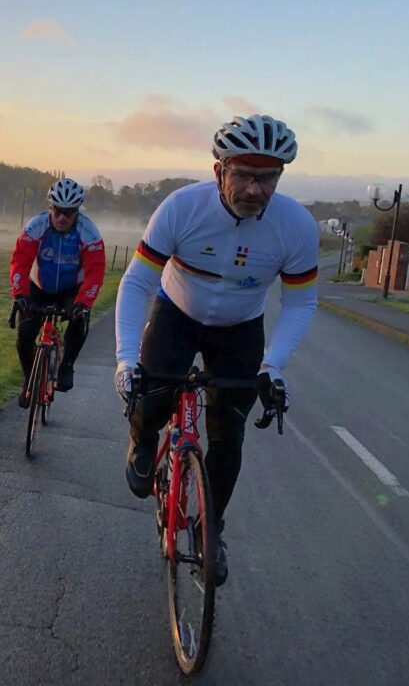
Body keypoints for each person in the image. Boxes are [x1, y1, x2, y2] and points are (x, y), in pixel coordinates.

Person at [114, 114, 318, 585]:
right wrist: (126, 361)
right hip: (177, 313)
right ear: (218, 171)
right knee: (152, 397)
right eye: (243, 174)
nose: (254, 189)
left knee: (229, 436)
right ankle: (144, 437)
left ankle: (212, 528)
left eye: (267, 178)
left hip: (239, 329)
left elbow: (301, 301)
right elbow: (138, 280)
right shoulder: (182, 208)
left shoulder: (295, 227)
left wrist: (274, 366)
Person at [10, 177, 106, 408]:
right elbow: (20, 262)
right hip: (38, 286)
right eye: (58, 211)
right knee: (24, 337)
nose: (63, 218)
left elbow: (95, 272)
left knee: (80, 321)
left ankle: (67, 365)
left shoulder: (89, 232)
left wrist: (83, 303)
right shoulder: (36, 227)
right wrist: (20, 294)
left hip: (71, 289)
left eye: (69, 213)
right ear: (50, 208)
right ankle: (29, 379)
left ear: (77, 212)